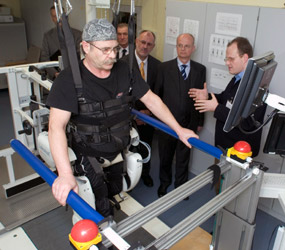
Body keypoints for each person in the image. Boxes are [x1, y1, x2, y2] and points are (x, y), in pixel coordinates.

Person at [46, 19, 198, 217]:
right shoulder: (68, 80)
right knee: (94, 204)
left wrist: (178, 129)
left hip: (117, 150)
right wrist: (65, 175)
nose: (112, 55)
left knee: (113, 191)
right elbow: (56, 127)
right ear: (86, 46)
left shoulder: (125, 70)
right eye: (105, 50)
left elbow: (152, 100)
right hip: (87, 153)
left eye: (115, 49)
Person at [188, 37, 266, 156]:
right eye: (226, 59)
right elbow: (225, 98)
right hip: (225, 146)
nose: (227, 63)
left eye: (231, 59)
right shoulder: (238, 78)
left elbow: (246, 123)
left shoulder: (255, 86)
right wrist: (207, 96)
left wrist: (216, 108)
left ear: (245, 58)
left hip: (239, 152)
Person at [154, 33, 206, 198]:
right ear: (176, 47)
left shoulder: (200, 70)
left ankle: (181, 187)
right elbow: (156, 95)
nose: (183, 49)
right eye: (180, 45)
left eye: (187, 46)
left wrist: (200, 121)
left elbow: (202, 98)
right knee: (165, 156)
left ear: (193, 48)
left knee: (184, 157)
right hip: (167, 124)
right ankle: (164, 183)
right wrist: (158, 121)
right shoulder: (164, 68)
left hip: (189, 123)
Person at [131, 30, 161, 187]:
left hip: (149, 117)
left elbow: (158, 92)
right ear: (136, 41)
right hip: (130, 116)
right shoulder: (123, 63)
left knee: (146, 146)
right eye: (142, 42)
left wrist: (149, 113)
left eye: (149, 44)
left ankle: (145, 173)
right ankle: (129, 176)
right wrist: (135, 114)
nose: (145, 46)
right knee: (129, 148)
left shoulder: (158, 65)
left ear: (153, 46)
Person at [40, 6, 82, 80]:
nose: (58, 19)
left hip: (75, 76)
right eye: (55, 16)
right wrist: (55, 73)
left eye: (60, 16)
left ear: (66, 16)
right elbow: (44, 58)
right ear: (52, 18)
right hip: (55, 78)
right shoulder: (47, 36)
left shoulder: (78, 35)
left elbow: (81, 57)